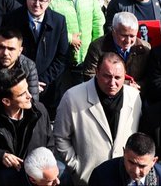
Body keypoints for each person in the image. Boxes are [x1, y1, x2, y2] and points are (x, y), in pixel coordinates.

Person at [53, 52, 142, 185]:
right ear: (97, 72)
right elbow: (60, 137)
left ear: (125, 75)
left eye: (118, 77)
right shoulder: (72, 97)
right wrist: (76, 167)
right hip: (86, 179)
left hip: (122, 178)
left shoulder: (134, 97)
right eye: (107, 76)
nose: (112, 83)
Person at [0, 66, 54, 183]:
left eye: (27, 89)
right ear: (6, 101)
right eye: (22, 94)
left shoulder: (39, 111)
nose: (29, 96)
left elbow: (50, 144)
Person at [85, 132, 161, 186]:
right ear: (124, 153)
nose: (136, 171)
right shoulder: (102, 175)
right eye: (131, 162)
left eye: (142, 166)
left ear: (153, 161)